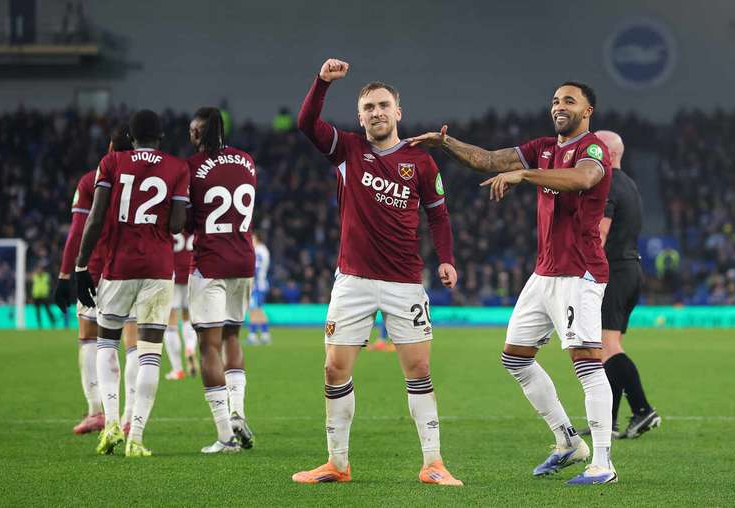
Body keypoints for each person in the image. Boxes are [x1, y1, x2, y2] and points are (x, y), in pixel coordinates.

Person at [409, 81, 617, 485]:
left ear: (588, 111)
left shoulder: (594, 149)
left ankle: (604, 463)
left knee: (587, 365)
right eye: (556, 100)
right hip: (545, 274)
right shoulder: (542, 147)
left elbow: (583, 179)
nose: (559, 106)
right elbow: (488, 160)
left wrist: (525, 174)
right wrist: (444, 143)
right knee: (516, 358)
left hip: (580, 272)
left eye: (569, 101)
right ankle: (568, 441)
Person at [293, 58, 461, 486]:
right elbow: (306, 122)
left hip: (404, 282)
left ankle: (433, 463)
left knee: (419, 370)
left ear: (398, 112)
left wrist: (446, 257)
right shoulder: (347, 150)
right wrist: (322, 83)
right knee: (334, 369)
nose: (377, 113)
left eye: (384, 105)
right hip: (352, 280)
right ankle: (337, 463)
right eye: (369, 107)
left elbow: (438, 216)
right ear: (360, 116)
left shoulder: (420, 162)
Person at [75, 110, 189, 457]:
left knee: (107, 343)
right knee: (149, 353)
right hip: (158, 269)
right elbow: (177, 226)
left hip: (119, 266)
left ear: (132, 136)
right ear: (161, 137)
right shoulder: (177, 167)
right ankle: (136, 436)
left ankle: (110, 425)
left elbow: (95, 218)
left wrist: (82, 265)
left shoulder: (111, 163)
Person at [54, 125, 139, 436]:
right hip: (137, 270)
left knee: (91, 338)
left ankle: (96, 411)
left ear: (108, 147)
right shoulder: (148, 178)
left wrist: (66, 273)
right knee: (134, 344)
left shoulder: (91, 180)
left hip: (97, 271)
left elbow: (78, 230)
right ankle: (130, 417)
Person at [187, 107, 257, 453]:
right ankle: (238, 412)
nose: (191, 136)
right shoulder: (246, 161)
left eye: (193, 131)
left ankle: (225, 435)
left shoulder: (191, 168)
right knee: (232, 335)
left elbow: (185, 220)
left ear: (200, 133)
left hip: (210, 262)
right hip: (243, 260)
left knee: (208, 345)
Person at [587, 130, 660, 439]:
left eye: (595, 149)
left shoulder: (608, 185)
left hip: (614, 272)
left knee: (607, 347)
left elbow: (600, 234)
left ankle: (643, 410)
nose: (589, 154)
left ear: (609, 154)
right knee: (610, 345)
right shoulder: (629, 184)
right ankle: (609, 422)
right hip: (631, 269)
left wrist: (586, 271)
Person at [163, 232, 198, 379]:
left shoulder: (173, 221)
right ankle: (190, 347)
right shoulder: (193, 221)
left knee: (170, 322)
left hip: (173, 275)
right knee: (187, 318)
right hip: (191, 274)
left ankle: (177, 369)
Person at [246, 231, 271, 345]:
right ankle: (264, 334)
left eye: (253, 239)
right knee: (258, 309)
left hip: (257, 285)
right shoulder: (263, 250)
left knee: (255, 310)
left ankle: (254, 335)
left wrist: (251, 282)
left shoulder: (259, 251)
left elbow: (256, 268)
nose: (251, 241)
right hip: (261, 284)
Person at [31, 261, 55, 328]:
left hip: (44, 296)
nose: (39, 270)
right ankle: (39, 325)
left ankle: (53, 321)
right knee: (37, 311)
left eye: (40, 269)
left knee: (48, 310)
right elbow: (32, 286)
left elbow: (51, 285)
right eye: (38, 269)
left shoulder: (46, 276)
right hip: (36, 296)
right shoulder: (34, 276)